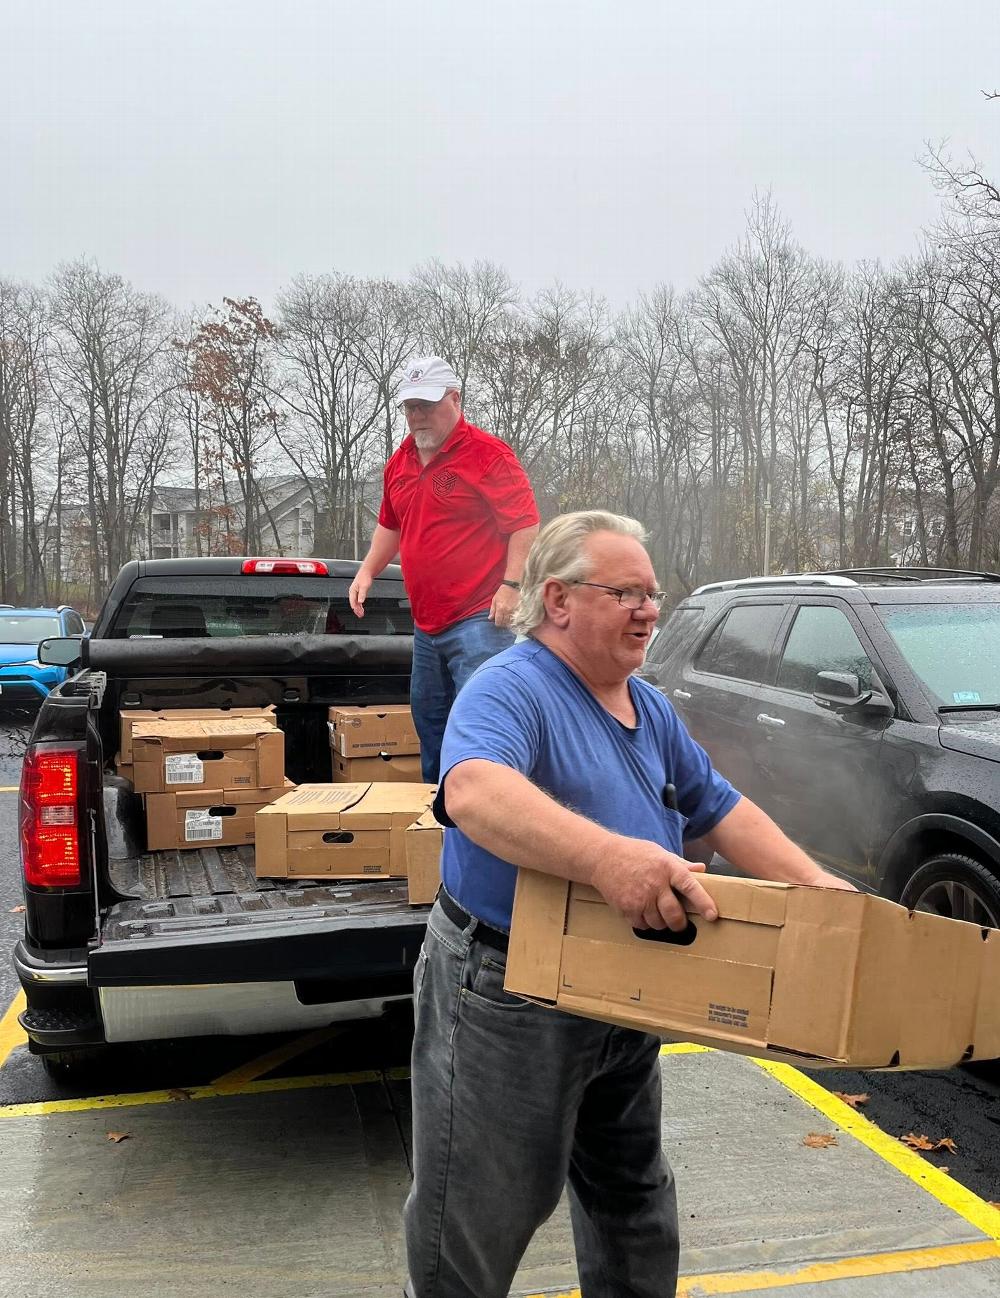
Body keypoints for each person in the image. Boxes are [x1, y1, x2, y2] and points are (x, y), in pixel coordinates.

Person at [403, 510, 855, 1298]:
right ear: (559, 600)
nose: (649, 609)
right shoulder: (511, 688)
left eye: (653, 593)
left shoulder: (647, 706)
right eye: (626, 592)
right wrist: (611, 858)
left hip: (618, 984)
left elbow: (719, 807)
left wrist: (825, 895)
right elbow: (473, 791)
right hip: (507, 990)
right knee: (481, 1211)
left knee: (633, 1203)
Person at [348, 356, 539, 783]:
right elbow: (390, 524)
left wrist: (511, 586)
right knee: (430, 721)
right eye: (410, 407)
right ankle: (439, 818)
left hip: (479, 620)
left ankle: (491, 820)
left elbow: (524, 522)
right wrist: (366, 573)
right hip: (426, 626)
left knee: (481, 725)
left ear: (455, 399)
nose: (417, 416)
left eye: (427, 405)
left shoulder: (488, 454)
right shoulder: (400, 461)